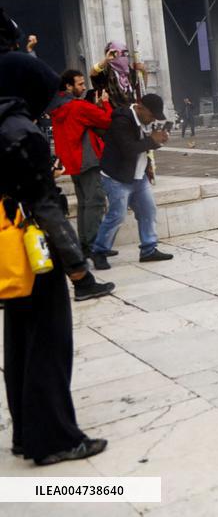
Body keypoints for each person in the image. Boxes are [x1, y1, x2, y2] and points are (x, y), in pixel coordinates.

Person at [0, 51, 113, 467]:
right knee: (49, 342)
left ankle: (25, 432)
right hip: (36, 252)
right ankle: (54, 440)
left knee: (19, 342)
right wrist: (78, 268)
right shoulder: (20, 130)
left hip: (7, 251)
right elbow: (45, 206)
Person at [89, 93, 173, 268]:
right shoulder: (122, 120)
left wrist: (159, 140)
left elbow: (145, 146)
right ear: (140, 107)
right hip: (116, 177)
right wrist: (152, 140)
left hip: (138, 175)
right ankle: (99, 251)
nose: (151, 120)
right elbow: (128, 149)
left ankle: (149, 249)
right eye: (150, 116)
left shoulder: (146, 121)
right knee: (117, 216)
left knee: (148, 211)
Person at [49, 70, 113, 257]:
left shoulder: (58, 107)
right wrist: (106, 103)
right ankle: (94, 245)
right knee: (96, 201)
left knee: (85, 203)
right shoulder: (78, 106)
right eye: (80, 84)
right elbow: (107, 120)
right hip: (87, 160)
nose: (84, 87)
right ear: (68, 86)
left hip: (72, 162)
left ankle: (85, 245)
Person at [89, 41, 144, 109]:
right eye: (119, 53)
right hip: (112, 115)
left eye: (125, 53)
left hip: (129, 114)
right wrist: (106, 60)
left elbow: (141, 88)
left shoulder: (129, 72)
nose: (124, 56)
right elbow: (93, 73)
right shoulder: (106, 71)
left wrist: (143, 70)